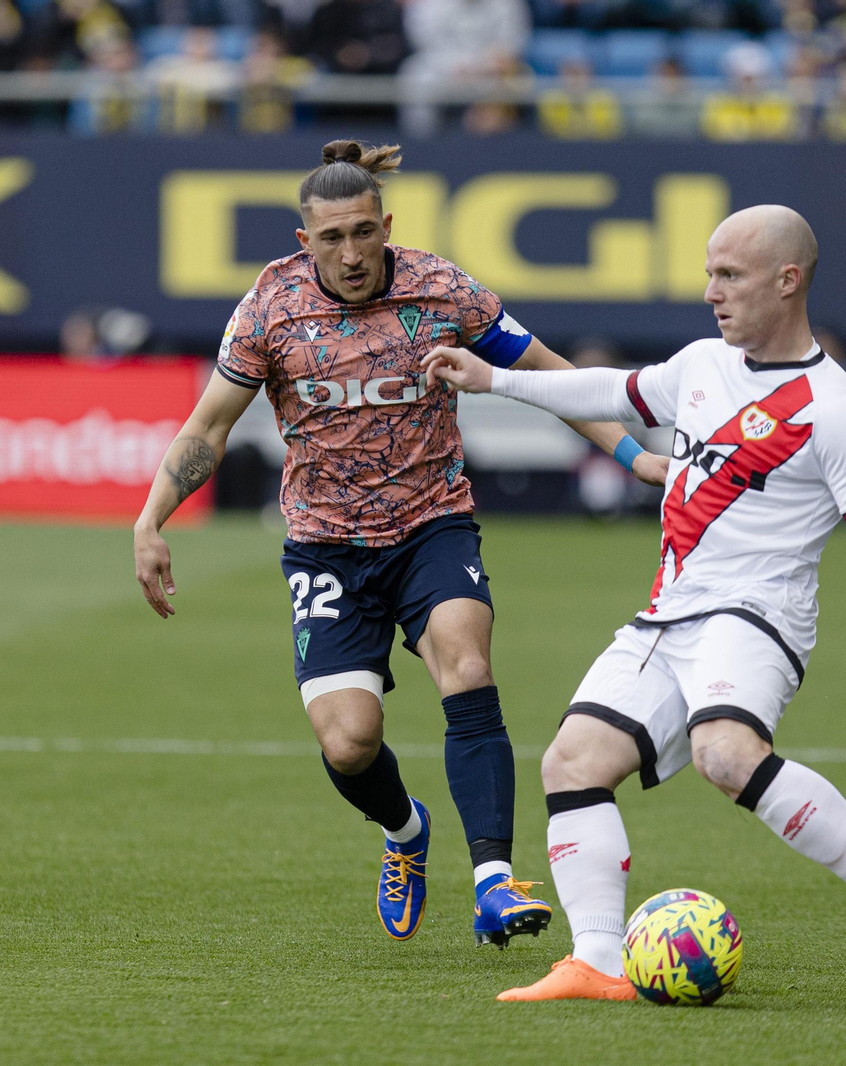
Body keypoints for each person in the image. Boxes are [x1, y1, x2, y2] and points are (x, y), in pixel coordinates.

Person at [133, 140, 669, 950]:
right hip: (325, 548)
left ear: (386, 224)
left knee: (468, 661)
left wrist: (634, 456)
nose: (349, 254)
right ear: (303, 239)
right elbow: (210, 425)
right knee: (349, 743)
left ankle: (494, 880)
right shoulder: (270, 308)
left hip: (432, 525)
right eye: (330, 239)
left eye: (362, 233)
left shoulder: (441, 288)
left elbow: (553, 377)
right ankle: (405, 831)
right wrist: (150, 521)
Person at [422, 204, 846, 1003]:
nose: (711, 291)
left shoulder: (831, 407)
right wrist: (494, 379)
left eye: (729, 275)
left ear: (788, 280)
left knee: (724, 753)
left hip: (759, 617)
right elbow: (616, 391)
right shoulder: (705, 361)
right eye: (709, 273)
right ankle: (599, 961)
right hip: (670, 613)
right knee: (571, 762)